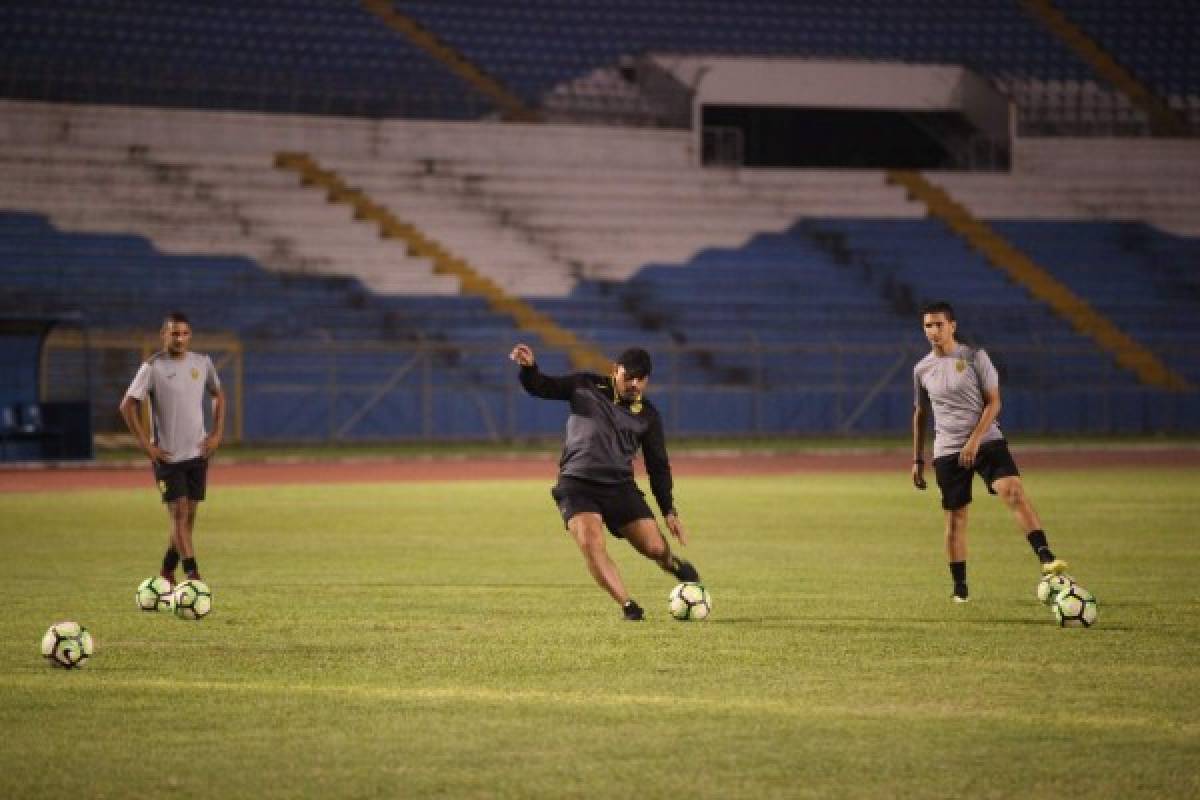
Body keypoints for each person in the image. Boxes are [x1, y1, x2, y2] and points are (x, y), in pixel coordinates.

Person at [510, 343, 700, 621]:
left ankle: (670, 563)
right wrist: (529, 369)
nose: (634, 384)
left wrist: (668, 510)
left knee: (655, 548)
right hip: (577, 483)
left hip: (619, 487)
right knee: (590, 542)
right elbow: (542, 386)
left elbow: (657, 466)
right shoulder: (584, 385)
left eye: (641, 379)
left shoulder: (647, 415)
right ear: (615, 371)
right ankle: (628, 605)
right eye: (629, 377)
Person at [911, 301, 1068, 602]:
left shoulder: (974, 357)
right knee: (956, 519)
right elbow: (920, 414)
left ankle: (1046, 557)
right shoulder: (922, 368)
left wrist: (973, 440)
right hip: (946, 450)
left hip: (986, 440)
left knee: (1013, 491)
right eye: (928, 326)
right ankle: (960, 588)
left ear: (952, 326)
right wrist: (917, 460)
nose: (933, 331)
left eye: (939, 325)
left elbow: (994, 402)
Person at [119, 312, 224, 588]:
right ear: (163, 335)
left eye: (184, 333)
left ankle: (166, 571)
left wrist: (216, 434)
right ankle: (193, 575)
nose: (179, 338)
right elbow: (127, 405)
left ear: (190, 336)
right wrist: (146, 446)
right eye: (174, 333)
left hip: (198, 453)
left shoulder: (202, 363)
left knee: (188, 518)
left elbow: (218, 394)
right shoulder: (152, 367)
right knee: (178, 514)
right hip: (168, 457)